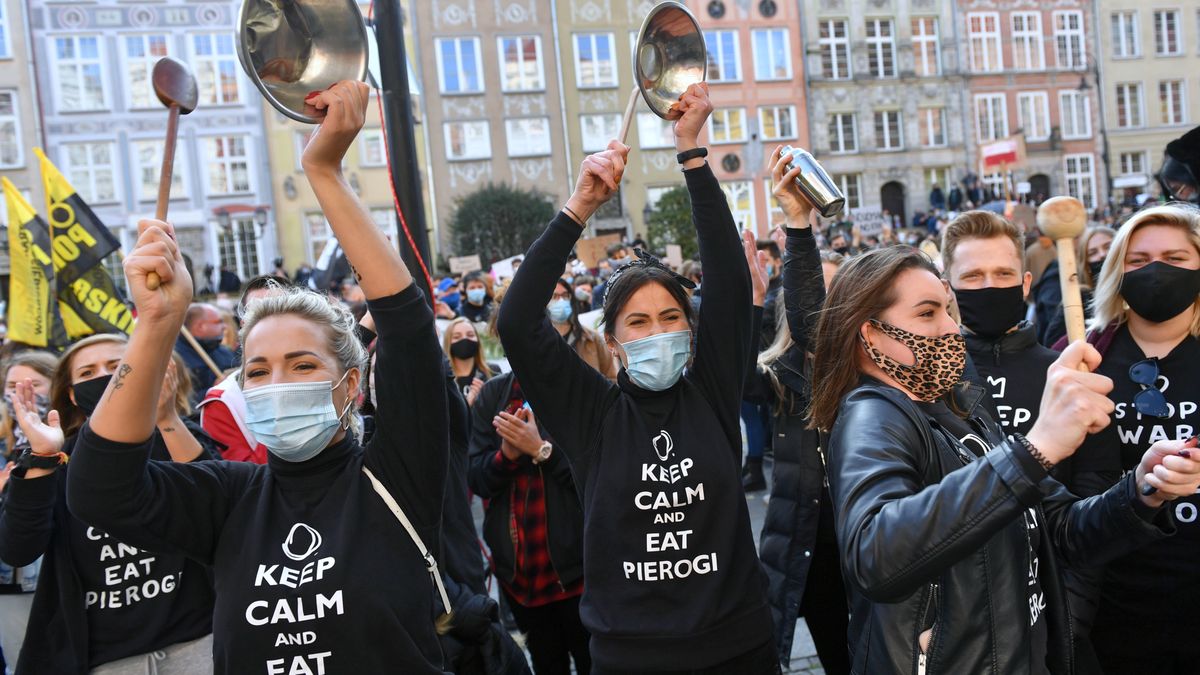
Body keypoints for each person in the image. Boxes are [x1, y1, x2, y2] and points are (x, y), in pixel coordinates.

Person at [66, 81, 453, 673]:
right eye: (258, 370)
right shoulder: (227, 499)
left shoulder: (394, 475)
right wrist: (156, 323)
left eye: (303, 365)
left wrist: (325, 173)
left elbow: (406, 325)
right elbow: (99, 491)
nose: (279, 381)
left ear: (350, 387)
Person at [807, 244, 1200, 674]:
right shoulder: (874, 413)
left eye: (947, 311)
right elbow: (875, 553)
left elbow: (1060, 528)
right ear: (871, 333)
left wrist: (1143, 489)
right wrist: (1038, 447)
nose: (950, 329)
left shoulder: (962, 412)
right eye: (926, 314)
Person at [497, 83, 776, 673]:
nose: (656, 333)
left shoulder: (712, 390)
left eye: (670, 318)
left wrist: (691, 152)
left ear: (691, 330)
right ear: (615, 341)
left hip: (739, 647)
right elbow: (518, 322)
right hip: (631, 656)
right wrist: (578, 208)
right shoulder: (592, 413)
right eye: (639, 323)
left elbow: (727, 279)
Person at [0, 333, 215, 674]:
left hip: (202, 643)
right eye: (87, 373)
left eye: (118, 367)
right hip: (106, 659)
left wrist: (166, 419)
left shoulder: (178, 437)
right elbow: (18, 548)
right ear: (70, 394)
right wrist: (41, 457)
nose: (105, 377)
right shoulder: (56, 459)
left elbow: (216, 503)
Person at [1062, 204, 1200, 673]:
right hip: (1110, 594)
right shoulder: (1081, 355)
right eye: (1138, 260)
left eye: (1176, 258)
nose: (1157, 270)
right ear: (1117, 271)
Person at [752, 147, 850, 674]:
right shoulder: (780, 371)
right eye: (814, 290)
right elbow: (734, 383)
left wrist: (798, 226)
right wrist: (749, 301)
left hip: (868, 543)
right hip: (806, 545)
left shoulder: (871, 367)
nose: (824, 305)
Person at [468, 367, 590, 674]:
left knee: (594, 660)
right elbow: (476, 477)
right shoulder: (493, 397)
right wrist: (506, 456)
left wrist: (541, 451)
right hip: (521, 576)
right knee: (546, 662)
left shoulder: (577, 388)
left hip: (580, 573)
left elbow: (596, 478)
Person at [941, 212, 1057, 437]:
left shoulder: (1062, 372)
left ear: (1025, 284)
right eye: (973, 276)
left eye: (1003, 274)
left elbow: (1095, 471)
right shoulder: (931, 378)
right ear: (947, 289)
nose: (989, 286)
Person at [1037, 226, 1116, 348]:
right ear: (1086, 264)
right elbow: (1053, 345)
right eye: (1093, 252)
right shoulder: (1080, 298)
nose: (1102, 254)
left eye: (1108, 247)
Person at [547, 278, 615, 380]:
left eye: (565, 295)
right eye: (554, 296)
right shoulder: (539, 342)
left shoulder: (591, 338)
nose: (561, 300)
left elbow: (611, 377)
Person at [175, 303, 236, 402]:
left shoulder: (225, 353)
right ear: (200, 326)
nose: (224, 326)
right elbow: (179, 400)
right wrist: (211, 391)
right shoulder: (176, 358)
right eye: (219, 322)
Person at [445, 317, 494, 407]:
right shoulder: (444, 378)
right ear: (448, 343)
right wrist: (468, 403)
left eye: (470, 335)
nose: (465, 339)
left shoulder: (492, 371)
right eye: (457, 337)